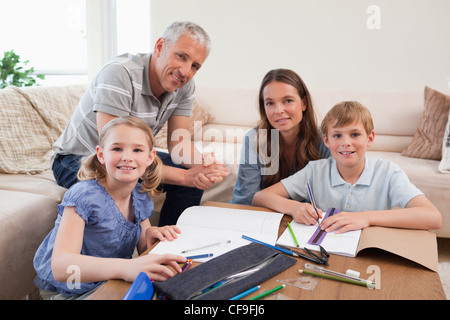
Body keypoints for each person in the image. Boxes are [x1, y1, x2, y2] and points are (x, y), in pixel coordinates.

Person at [51, 21, 229, 226]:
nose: (185, 71)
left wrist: (204, 166)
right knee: (126, 179)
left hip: (128, 155)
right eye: (181, 56)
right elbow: (116, 154)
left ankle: (169, 247)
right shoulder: (120, 74)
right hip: (79, 157)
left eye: (195, 66)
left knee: (193, 183)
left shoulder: (184, 87)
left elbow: (179, 145)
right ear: (160, 46)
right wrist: (186, 176)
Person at [34, 116, 187, 299]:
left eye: (137, 149)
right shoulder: (83, 196)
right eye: (117, 148)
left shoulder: (140, 195)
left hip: (112, 280)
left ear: (149, 158)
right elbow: (61, 266)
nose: (127, 157)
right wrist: (127, 268)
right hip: (68, 289)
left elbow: (143, 244)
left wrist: (152, 234)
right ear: (101, 155)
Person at [253, 101, 442, 233]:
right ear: (325, 140)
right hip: (327, 250)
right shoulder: (315, 170)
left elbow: (433, 217)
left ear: (370, 138)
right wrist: (294, 207)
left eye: (354, 134)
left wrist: (366, 218)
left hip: (371, 251)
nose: (346, 143)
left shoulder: (388, 172)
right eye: (337, 136)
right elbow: (261, 197)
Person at [231, 69, 330, 205]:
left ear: (304, 103)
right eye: (270, 103)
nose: (278, 111)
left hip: (305, 222)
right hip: (261, 217)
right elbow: (246, 199)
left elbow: (329, 199)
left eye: (288, 101)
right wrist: (291, 208)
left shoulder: (325, 140)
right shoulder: (255, 139)